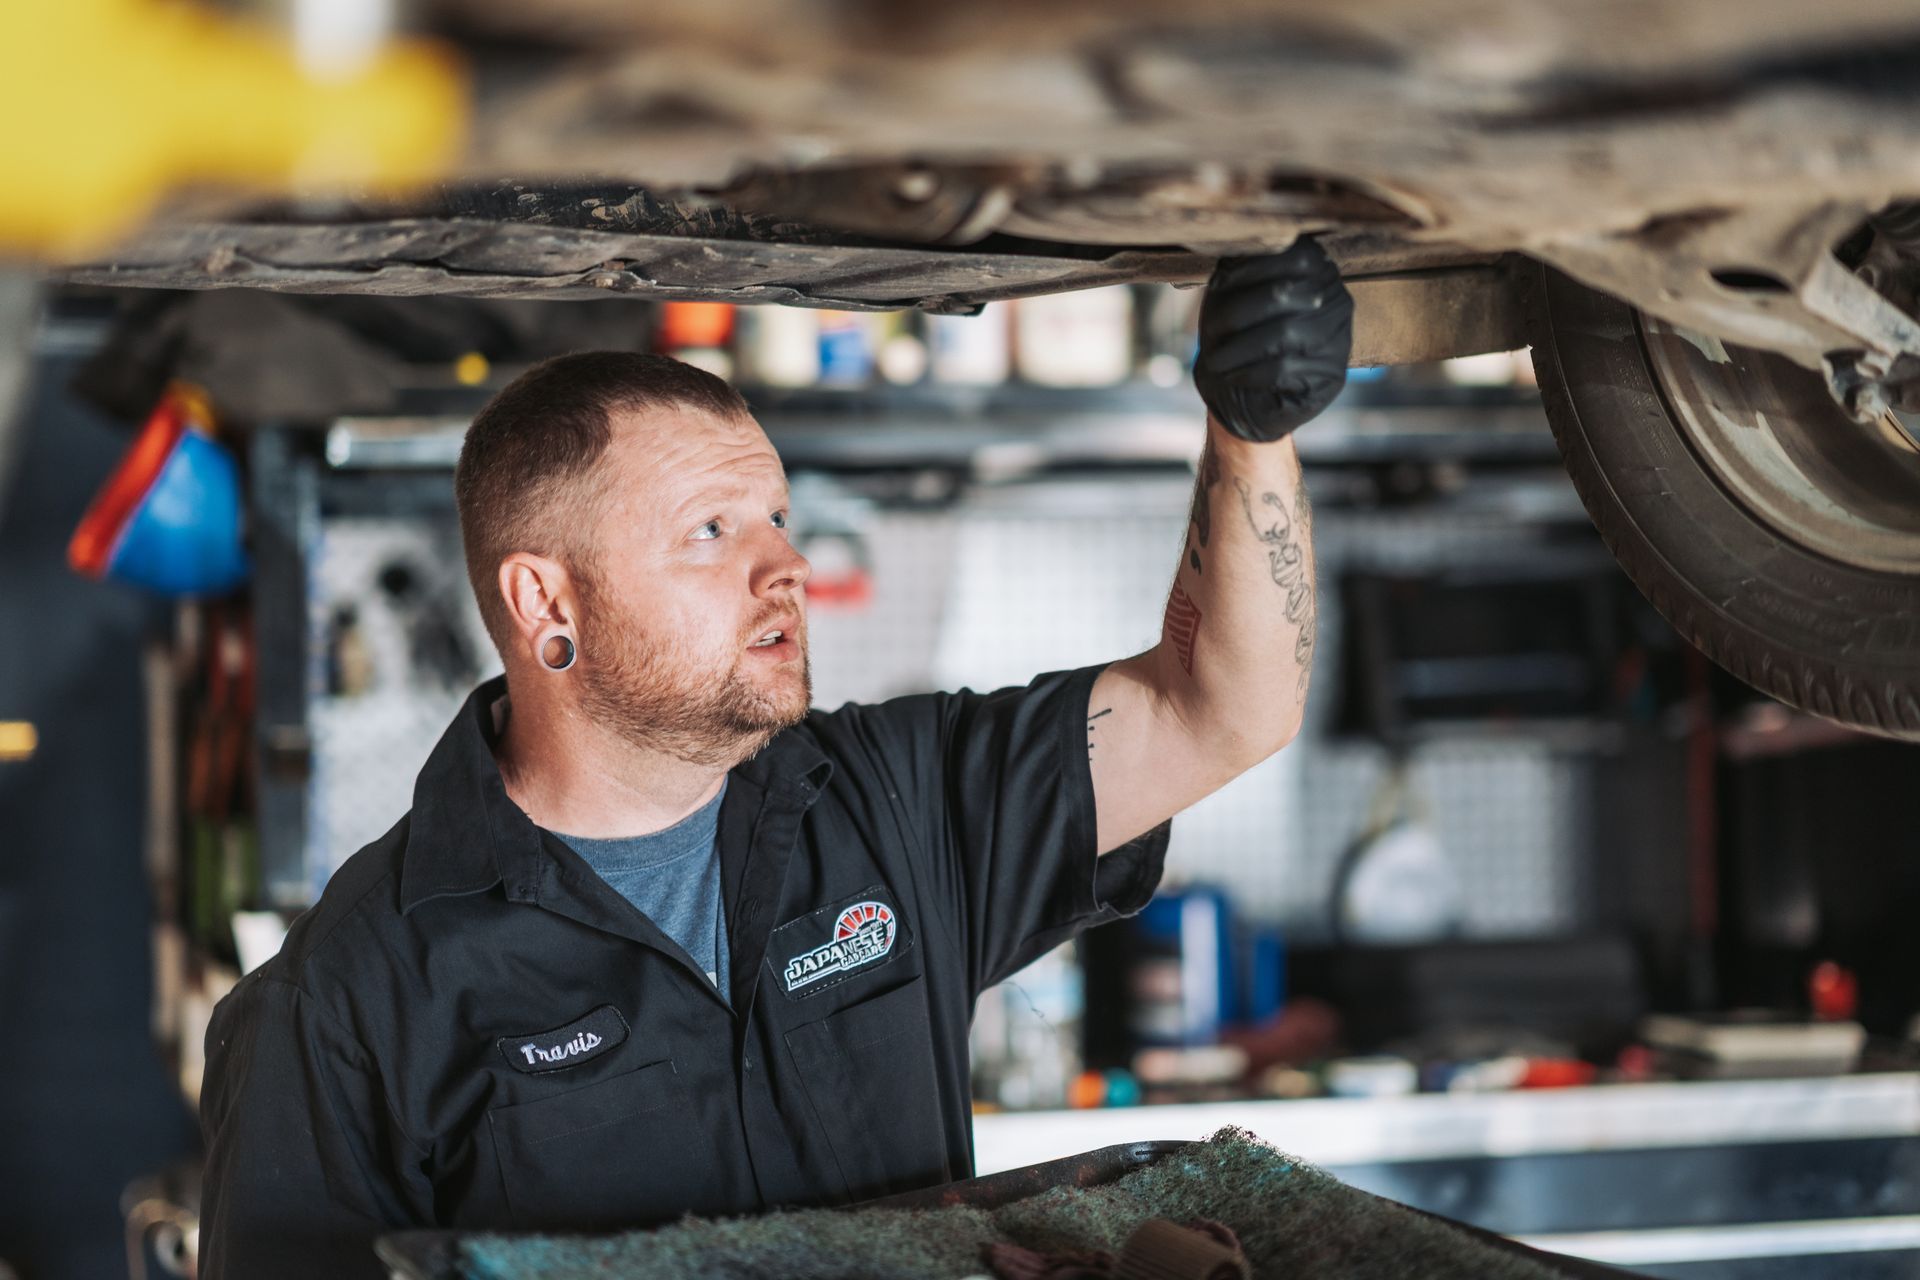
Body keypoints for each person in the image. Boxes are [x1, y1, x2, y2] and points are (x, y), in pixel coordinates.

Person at [196, 245, 1353, 1278]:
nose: (785, 564)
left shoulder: (902, 800)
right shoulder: (345, 1000)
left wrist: (1251, 427)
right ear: (547, 603)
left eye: (779, 517)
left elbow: (1223, 704)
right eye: (713, 530)